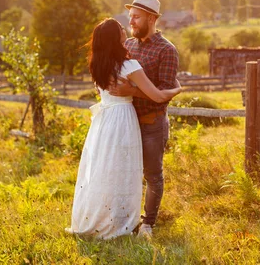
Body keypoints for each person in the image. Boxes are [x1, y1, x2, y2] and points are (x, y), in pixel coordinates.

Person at [67, 18, 181, 240]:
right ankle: (121, 222)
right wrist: (177, 89)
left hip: (103, 121)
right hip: (122, 118)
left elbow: (102, 92)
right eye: (120, 28)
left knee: (104, 169)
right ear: (115, 37)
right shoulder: (129, 65)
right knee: (126, 171)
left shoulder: (98, 63)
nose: (125, 28)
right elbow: (157, 96)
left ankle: (98, 218)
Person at [109, 0, 179, 238]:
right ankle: (124, 219)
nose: (132, 22)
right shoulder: (127, 46)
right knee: (126, 172)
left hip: (151, 124)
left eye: (136, 17)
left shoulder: (166, 50)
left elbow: (165, 92)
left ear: (151, 18)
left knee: (152, 174)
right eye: (130, 17)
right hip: (125, 123)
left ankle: (148, 223)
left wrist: (132, 90)